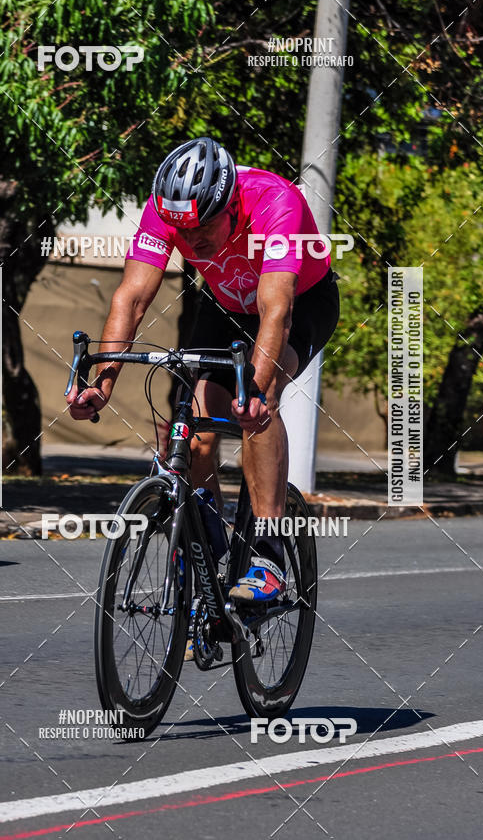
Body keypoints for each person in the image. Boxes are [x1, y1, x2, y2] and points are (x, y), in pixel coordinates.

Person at [66, 136, 339, 610]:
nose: (191, 242)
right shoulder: (167, 210)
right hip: (226, 303)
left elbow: (276, 312)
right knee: (193, 432)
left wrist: (253, 390)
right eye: (182, 231)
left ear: (232, 205)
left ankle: (269, 557)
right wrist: (102, 383)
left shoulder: (278, 203)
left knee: (258, 405)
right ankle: (207, 549)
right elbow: (132, 298)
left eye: (204, 228)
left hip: (299, 303)